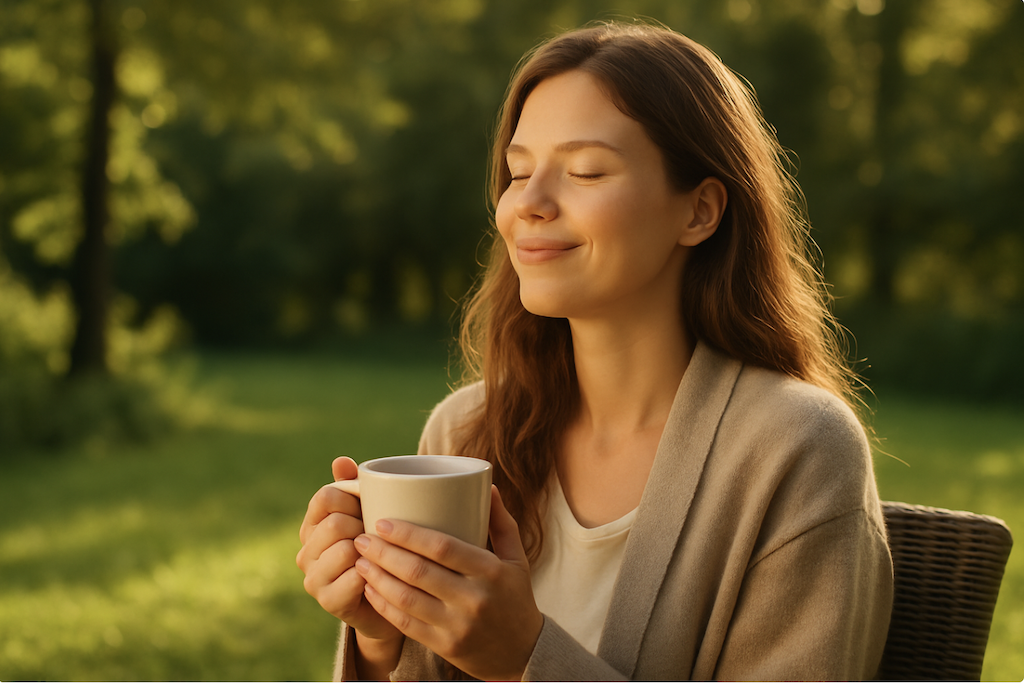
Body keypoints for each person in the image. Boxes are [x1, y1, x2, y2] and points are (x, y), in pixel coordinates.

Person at [297, 20, 893, 681]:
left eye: (584, 171)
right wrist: (383, 640)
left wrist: (521, 659)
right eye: (518, 172)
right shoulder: (465, 432)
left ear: (699, 211)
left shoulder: (796, 449)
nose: (529, 203)